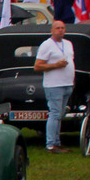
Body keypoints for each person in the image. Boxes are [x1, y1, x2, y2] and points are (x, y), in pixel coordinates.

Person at [34, 20, 75, 153]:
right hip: (54, 85)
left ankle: (57, 142)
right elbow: (38, 66)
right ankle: (51, 144)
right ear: (52, 30)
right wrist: (55, 65)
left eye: (63, 28)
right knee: (55, 113)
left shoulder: (68, 44)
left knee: (60, 115)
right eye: (58, 28)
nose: (61, 30)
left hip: (67, 83)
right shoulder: (46, 45)